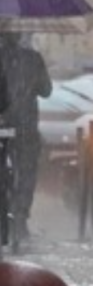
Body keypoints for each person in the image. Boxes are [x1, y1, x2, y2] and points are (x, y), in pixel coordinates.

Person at [0, 32, 52, 240]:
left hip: (2, 123)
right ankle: (20, 217)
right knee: (26, 171)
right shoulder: (33, 59)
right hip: (26, 124)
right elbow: (46, 90)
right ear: (20, 35)